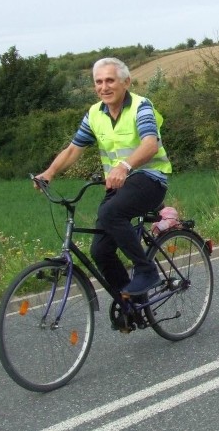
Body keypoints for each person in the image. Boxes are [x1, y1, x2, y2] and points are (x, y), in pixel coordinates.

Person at [35, 58, 172, 295]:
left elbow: (150, 145)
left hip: (150, 179)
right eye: (98, 82)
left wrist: (125, 166)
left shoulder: (141, 106)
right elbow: (72, 150)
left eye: (110, 80)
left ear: (126, 82)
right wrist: (49, 173)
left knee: (110, 213)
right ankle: (130, 301)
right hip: (119, 185)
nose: (104, 87)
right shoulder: (95, 114)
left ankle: (146, 270)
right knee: (100, 251)